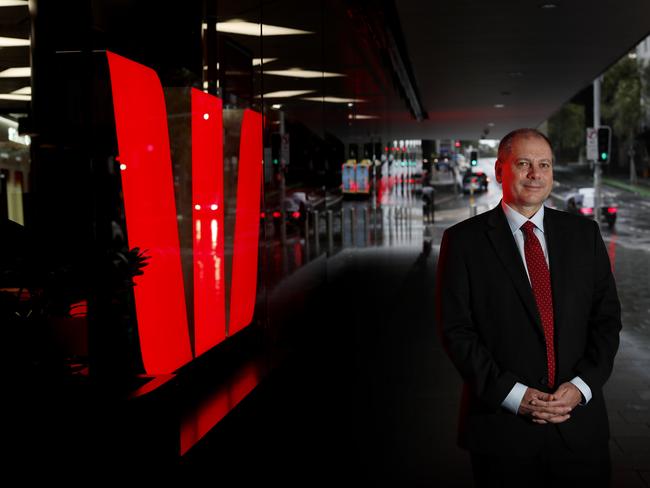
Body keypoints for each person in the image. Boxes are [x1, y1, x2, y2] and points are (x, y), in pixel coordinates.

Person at [435, 128, 621, 487]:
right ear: (499, 171)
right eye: (523, 164)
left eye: (544, 164)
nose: (535, 174)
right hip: (502, 432)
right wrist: (513, 395)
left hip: (580, 429)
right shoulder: (463, 242)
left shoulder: (585, 235)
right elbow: (456, 331)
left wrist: (582, 386)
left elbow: (607, 321)